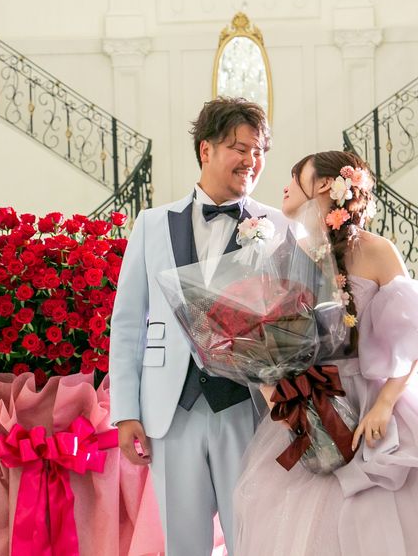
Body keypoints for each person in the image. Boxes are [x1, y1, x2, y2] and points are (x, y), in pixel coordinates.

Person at [234, 150, 418, 556]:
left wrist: (384, 404)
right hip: (313, 406)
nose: (286, 184)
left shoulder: (377, 250)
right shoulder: (282, 254)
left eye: (296, 175)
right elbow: (266, 343)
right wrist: (277, 395)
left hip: (377, 399)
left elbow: (412, 335)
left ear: (323, 185)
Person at [109, 97, 288, 555]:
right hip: (172, 409)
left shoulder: (277, 226)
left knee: (254, 539)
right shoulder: (151, 225)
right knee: (183, 543)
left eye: (259, 151)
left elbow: (291, 319)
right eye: (239, 148)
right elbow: (128, 323)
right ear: (206, 150)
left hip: (247, 408)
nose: (251, 161)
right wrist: (126, 411)